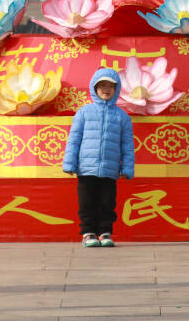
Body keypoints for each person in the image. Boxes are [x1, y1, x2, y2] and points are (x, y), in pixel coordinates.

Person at [62, 67, 134, 248]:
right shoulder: (84, 112)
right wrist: (69, 163)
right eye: (102, 86)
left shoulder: (122, 117)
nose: (106, 89)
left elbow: (127, 145)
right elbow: (74, 140)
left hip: (110, 170)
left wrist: (127, 168)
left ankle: (105, 233)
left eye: (111, 86)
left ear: (117, 89)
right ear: (94, 88)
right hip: (86, 168)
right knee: (86, 203)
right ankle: (88, 233)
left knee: (107, 203)